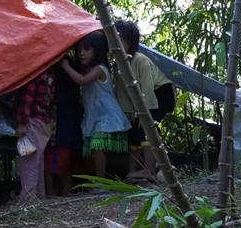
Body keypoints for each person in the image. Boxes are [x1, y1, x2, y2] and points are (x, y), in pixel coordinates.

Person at [60, 31, 131, 185]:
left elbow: (82, 81)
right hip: (94, 115)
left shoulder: (100, 69)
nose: (81, 54)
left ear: (98, 50)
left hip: (106, 115)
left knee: (97, 148)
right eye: (79, 50)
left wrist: (65, 66)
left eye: (86, 49)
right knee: (93, 150)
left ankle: (101, 182)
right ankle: (97, 180)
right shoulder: (87, 69)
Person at [113, 20, 177, 181]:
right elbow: (124, 91)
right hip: (140, 99)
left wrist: (145, 111)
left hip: (161, 93)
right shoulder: (117, 65)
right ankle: (130, 173)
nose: (114, 43)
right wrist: (130, 111)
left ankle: (151, 171)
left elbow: (147, 87)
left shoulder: (140, 60)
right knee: (134, 131)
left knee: (147, 129)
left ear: (130, 41)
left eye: (119, 39)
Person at [44, 56, 84, 197]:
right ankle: (54, 193)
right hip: (57, 123)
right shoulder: (58, 68)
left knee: (63, 158)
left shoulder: (66, 66)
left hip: (64, 122)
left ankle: (62, 191)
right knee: (55, 159)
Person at [13, 69, 55, 199]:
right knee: (37, 163)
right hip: (43, 121)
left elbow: (28, 97)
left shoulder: (36, 71)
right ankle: (39, 200)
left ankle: (28, 202)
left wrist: (22, 122)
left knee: (29, 164)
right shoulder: (50, 73)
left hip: (32, 121)